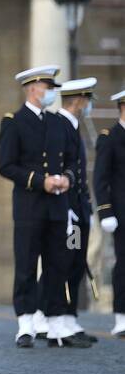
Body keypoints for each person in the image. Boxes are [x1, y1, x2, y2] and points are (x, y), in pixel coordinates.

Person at [0, 65, 81, 348]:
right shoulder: (14, 122)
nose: (51, 94)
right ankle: (26, 322)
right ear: (32, 89)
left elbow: (72, 160)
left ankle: (56, 321)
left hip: (57, 205)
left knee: (58, 264)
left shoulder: (58, 123)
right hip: (29, 205)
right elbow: (6, 166)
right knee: (26, 264)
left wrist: (67, 179)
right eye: (48, 88)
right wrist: (39, 181)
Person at [51, 78, 97, 345]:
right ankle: (56, 319)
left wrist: (85, 206)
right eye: (88, 99)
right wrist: (67, 208)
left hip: (78, 207)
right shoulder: (59, 126)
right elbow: (60, 168)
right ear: (78, 100)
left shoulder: (73, 125)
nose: (89, 105)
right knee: (64, 262)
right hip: (66, 208)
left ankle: (70, 318)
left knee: (77, 262)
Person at [94, 88, 125, 338]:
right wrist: (106, 211)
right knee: (123, 265)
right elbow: (100, 178)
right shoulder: (110, 138)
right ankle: (121, 317)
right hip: (122, 213)